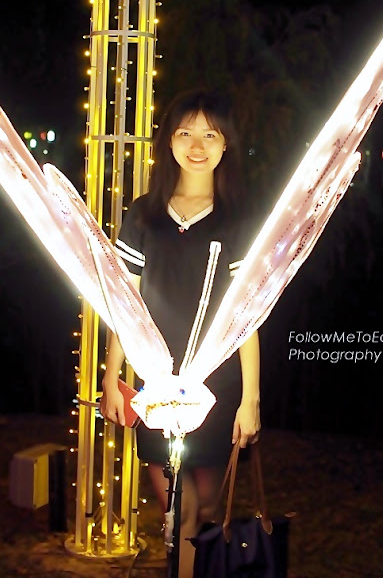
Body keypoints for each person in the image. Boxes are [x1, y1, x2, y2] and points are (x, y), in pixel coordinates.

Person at [100, 89, 261, 578]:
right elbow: (124, 306)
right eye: (185, 132)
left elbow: (248, 317)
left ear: (226, 144)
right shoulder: (144, 214)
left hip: (218, 386)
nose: (197, 145)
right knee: (176, 509)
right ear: (168, 141)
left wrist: (249, 398)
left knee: (206, 511)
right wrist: (112, 377)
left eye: (210, 134)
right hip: (155, 386)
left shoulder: (238, 219)